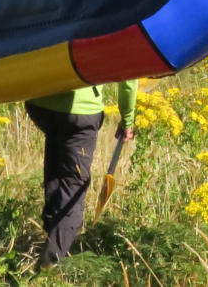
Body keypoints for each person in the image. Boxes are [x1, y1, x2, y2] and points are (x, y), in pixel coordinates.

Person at [25, 80, 138, 266]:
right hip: (80, 113)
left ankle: (52, 235)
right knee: (73, 187)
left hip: (39, 104)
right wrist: (128, 119)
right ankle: (48, 267)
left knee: (57, 170)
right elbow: (129, 74)